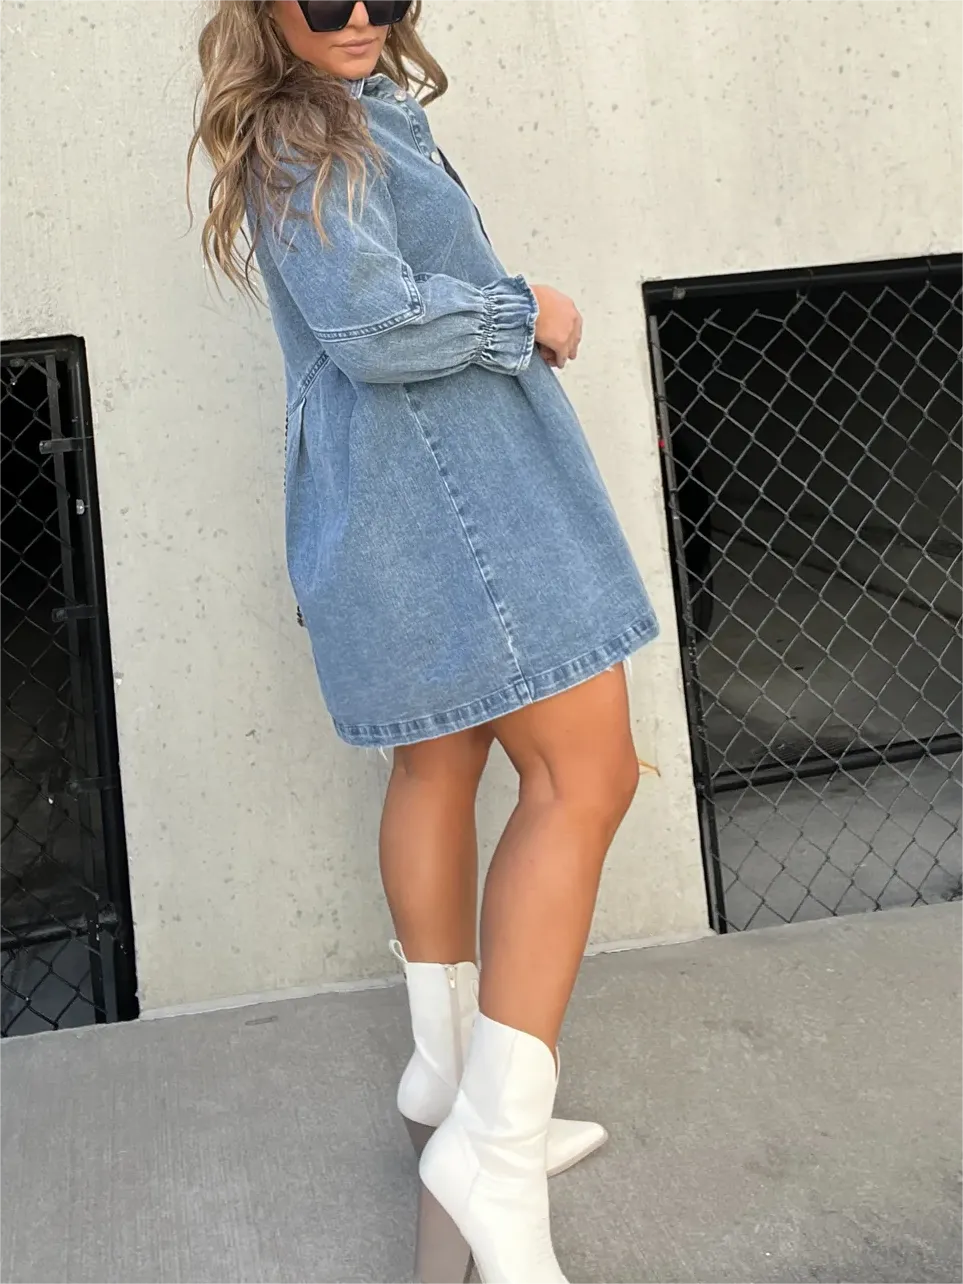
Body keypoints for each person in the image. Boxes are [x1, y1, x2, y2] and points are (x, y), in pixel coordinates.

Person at [190, 3, 659, 1280]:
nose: (357, 16)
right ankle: (492, 1151)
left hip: (403, 508)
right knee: (585, 778)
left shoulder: (343, 117)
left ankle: (451, 1081)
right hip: (458, 502)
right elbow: (374, 325)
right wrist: (526, 312)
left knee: (439, 763)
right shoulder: (305, 130)